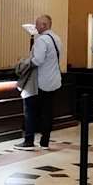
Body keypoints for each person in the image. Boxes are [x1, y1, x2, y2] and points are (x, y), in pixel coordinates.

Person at [19, 14, 62, 148]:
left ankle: (29, 140)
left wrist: (24, 63)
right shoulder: (57, 38)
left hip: (40, 82)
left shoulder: (42, 40)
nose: (35, 27)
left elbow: (37, 60)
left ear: (44, 25)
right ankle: (45, 141)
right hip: (54, 81)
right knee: (48, 112)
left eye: (37, 24)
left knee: (30, 110)